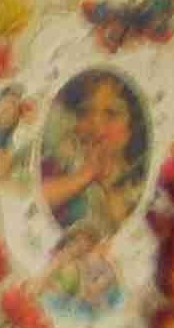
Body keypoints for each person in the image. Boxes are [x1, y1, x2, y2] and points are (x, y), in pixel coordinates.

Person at [39, 70, 148, 245]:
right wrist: (84, 176)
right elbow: (37, 198)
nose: (96, 123)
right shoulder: (67, 155)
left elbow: (133, 236)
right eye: (86, 111)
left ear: (132, 126)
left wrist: (109, 186)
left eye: (111, 113)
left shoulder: (136, 184)